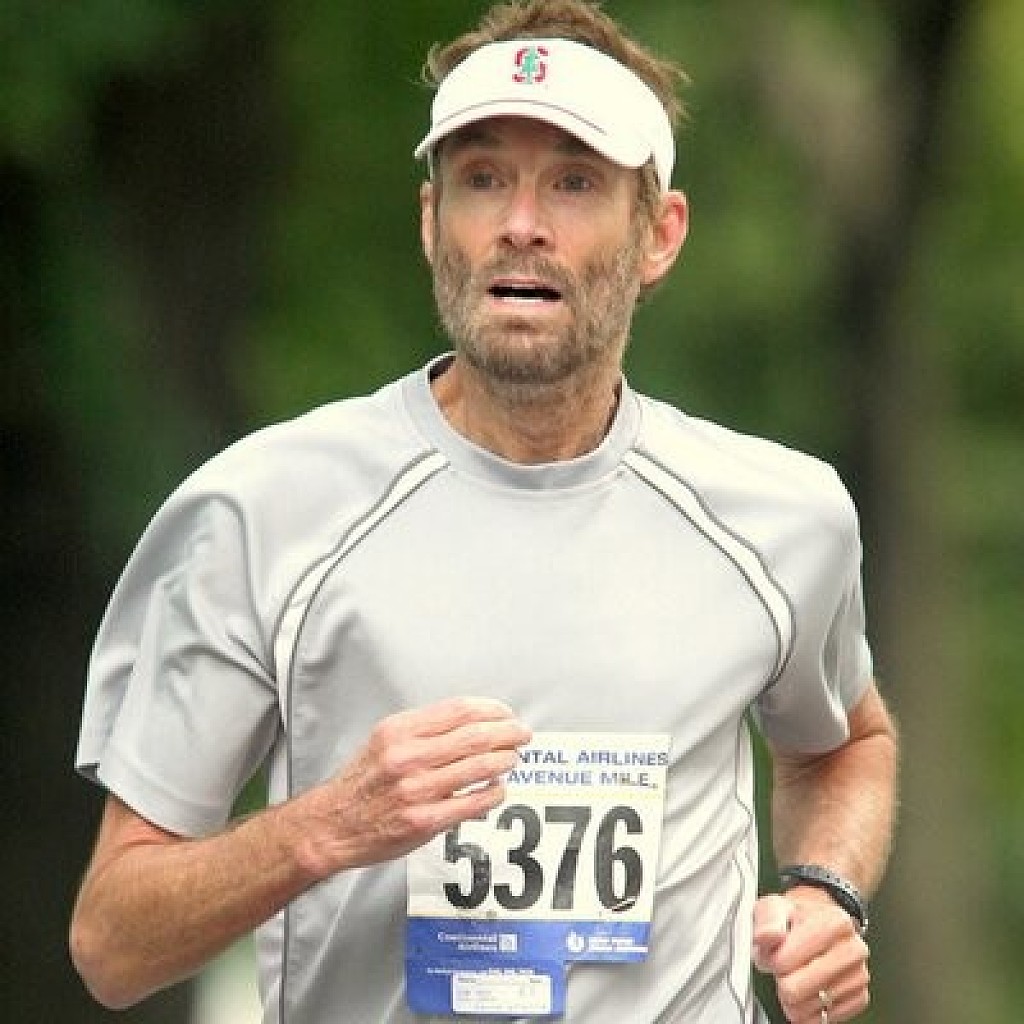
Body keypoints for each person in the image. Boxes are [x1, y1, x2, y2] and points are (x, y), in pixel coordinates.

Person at [69, 2, 898, 1022]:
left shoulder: (783, 517)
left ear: (660, 235)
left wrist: (824, 892)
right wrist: (323, 827)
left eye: (575, 183)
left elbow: (843, 742)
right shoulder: (262, 510)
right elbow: (113, 942)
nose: (521, 223)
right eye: (483, 178)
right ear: (432, 223)